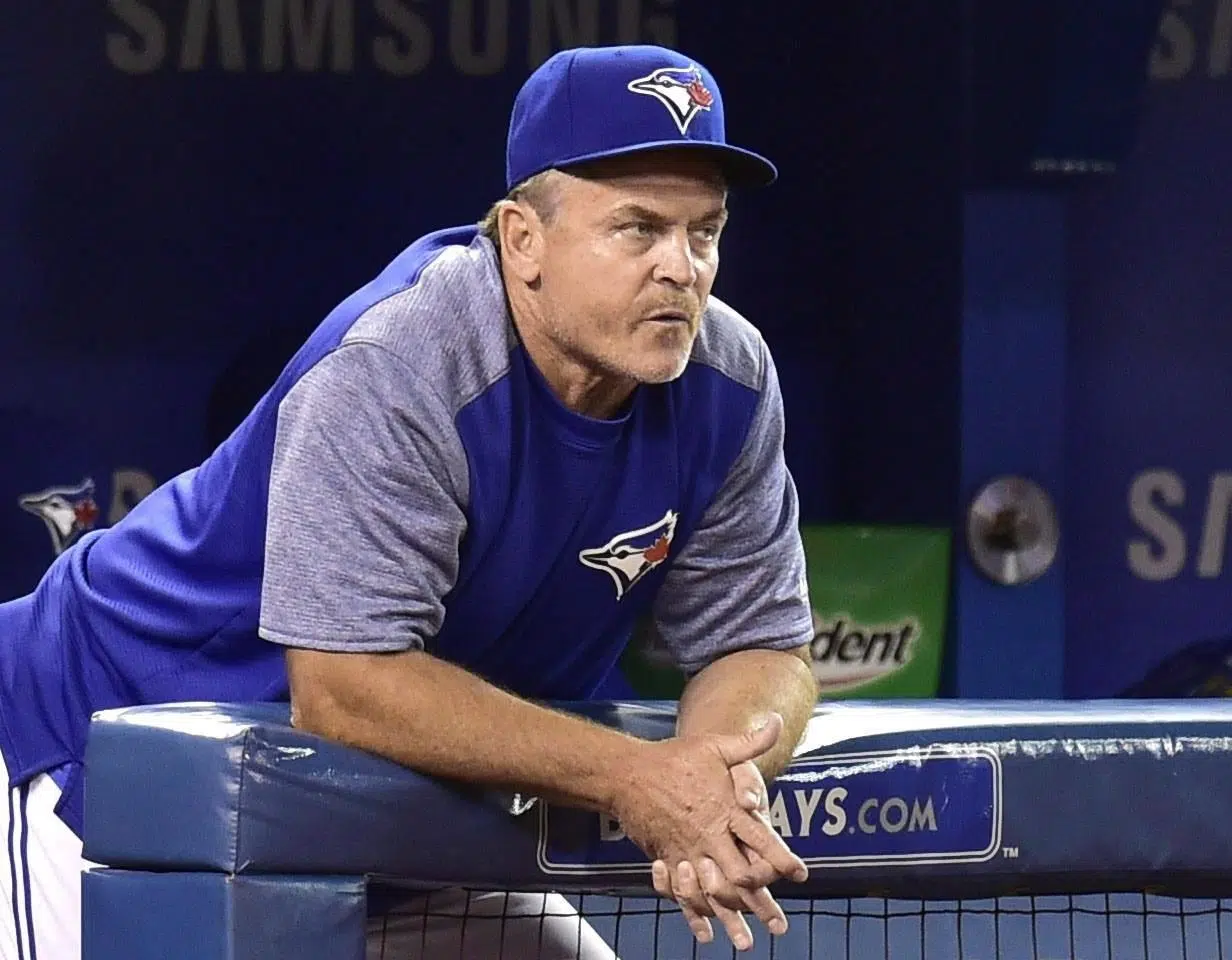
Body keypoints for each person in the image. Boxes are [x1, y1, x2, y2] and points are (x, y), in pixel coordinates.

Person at [0, 43, 819, 959]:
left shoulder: (727, 378)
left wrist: (714, 773)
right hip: (104, 762)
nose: (683, 268)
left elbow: (762, 644)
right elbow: (348, 689)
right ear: (522, 240)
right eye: (637, 229)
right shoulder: (405, 364)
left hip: (384, 825)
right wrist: (638, 779)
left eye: (702, 231)